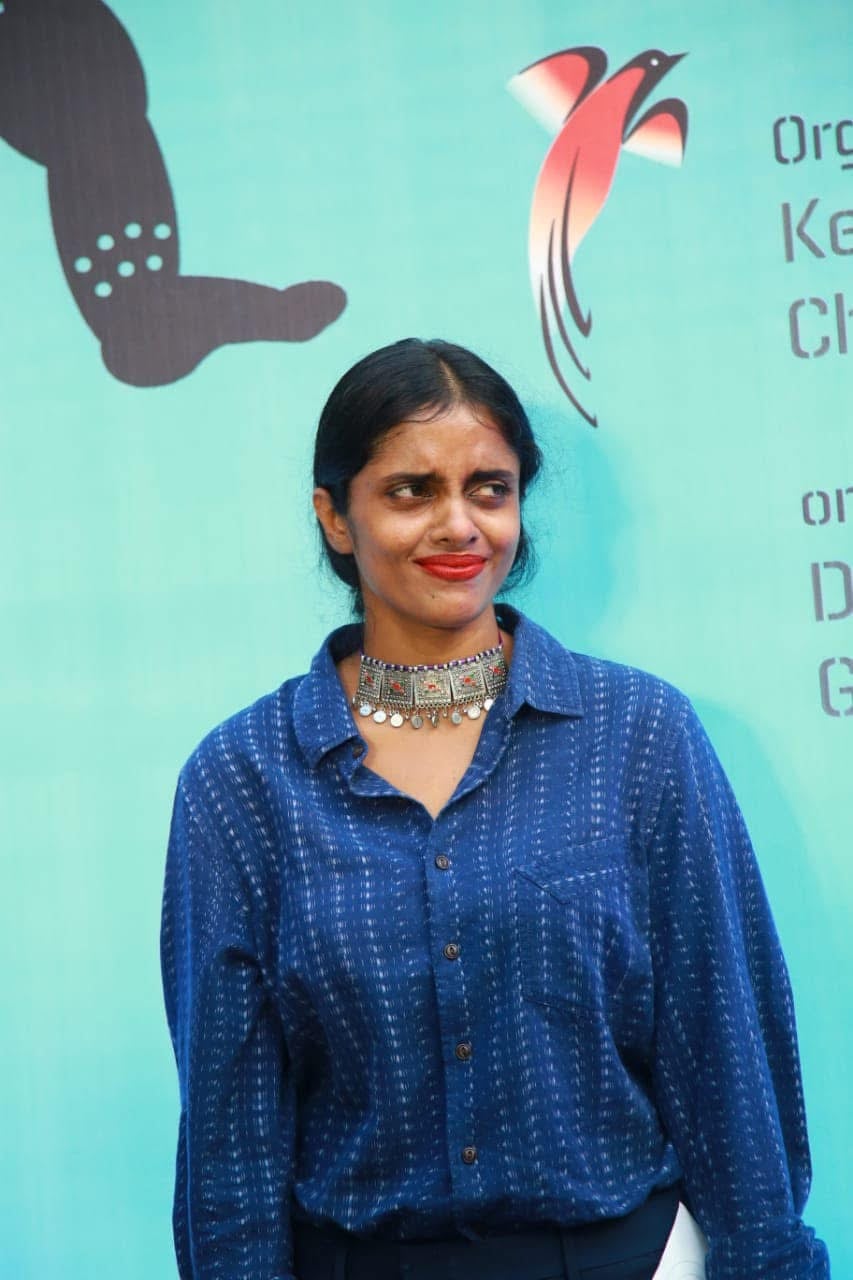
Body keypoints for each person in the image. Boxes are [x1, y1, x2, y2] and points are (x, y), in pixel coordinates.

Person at [160, 338, 830, 1280]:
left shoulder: (636, 734)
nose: (458, 525)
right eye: (409, 491)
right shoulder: (243, 779)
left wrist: (767, 1260)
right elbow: (230, 1133)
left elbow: (722, 1043)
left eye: (489, 489)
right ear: (335, 517)